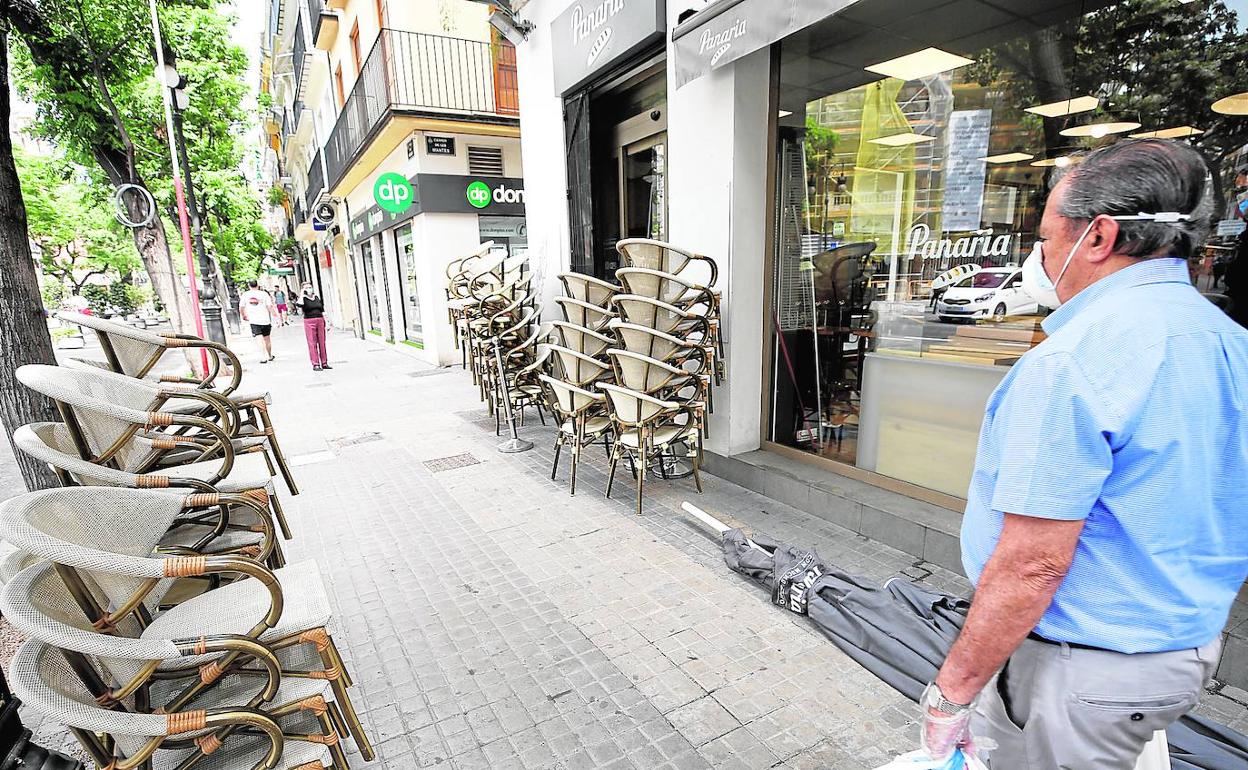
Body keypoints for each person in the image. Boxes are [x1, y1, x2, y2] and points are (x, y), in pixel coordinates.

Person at [920, 139, 1248, 768]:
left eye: (1045, 237)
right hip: (1180, 650)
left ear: (1097, 237)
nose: (1038, 257)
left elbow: (1032, 567)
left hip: (1083, 675)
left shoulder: (1073, 363)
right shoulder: (1227, 341)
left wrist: (952, 692)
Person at [295, 281, 331, 371]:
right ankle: (315, 364)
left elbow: (322, 309)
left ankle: (324, 362)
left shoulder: (316, 297)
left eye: (310, 287)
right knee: (312, 343)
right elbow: (299, 305)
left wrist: (327, 322)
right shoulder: (303, 299)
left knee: (322, 342)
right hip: (309, 321)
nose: (309, 289)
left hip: (320, 320)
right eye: (306, 287)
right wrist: (302, 294)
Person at [239, 279, 277, 363]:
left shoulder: (245, 295)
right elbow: (269, 306)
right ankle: (270, 355)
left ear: (249, 285)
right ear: (258, 285)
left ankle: (263, 357)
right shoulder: (264, 294)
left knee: (259, 339)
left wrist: (243, 315)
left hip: (254, 320)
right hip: (265, 319)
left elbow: (241, 307)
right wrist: (275, 315)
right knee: (267, 338)